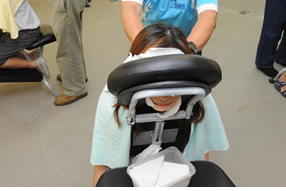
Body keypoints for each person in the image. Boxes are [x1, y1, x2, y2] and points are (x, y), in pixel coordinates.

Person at [91, 23, 229, 186]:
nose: (165, 96)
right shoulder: (112, 100)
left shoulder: (198, 97)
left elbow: (200, 152)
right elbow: (105, 162)